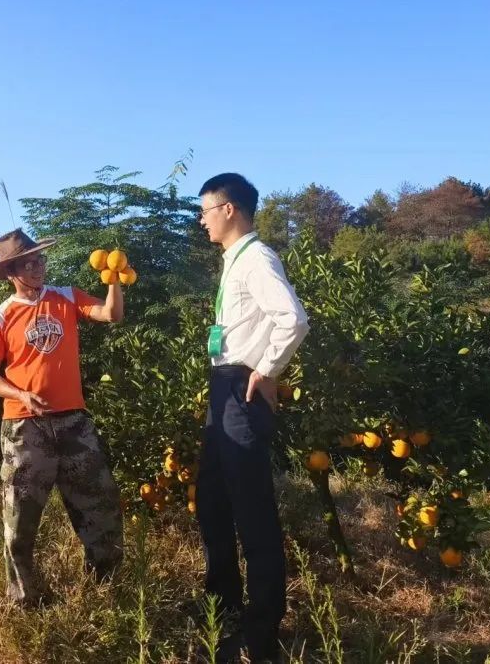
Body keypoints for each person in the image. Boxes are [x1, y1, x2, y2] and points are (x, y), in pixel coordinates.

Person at [196, 173, 310, 662]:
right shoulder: (233, 260)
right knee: (212, 502)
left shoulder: (257, 259)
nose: (201, 220)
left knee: (252, 513)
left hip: (242, 388)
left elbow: (294, 318)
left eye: (205, 211)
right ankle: (222, 606)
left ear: (229, 210)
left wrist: (266, 371)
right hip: (224, 387)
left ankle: (260, 631)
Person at [0, 228, 124, 606]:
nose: (38, 265)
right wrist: (19, 392)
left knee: (100, 505)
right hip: (24, 427)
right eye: (29, 262)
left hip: (74, 421)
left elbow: (111, 314)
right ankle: (24, 601)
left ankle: (106, 590)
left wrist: (116, 280)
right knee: (19, 520)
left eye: (40, 258)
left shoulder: (66, 297)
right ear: (12, 271)